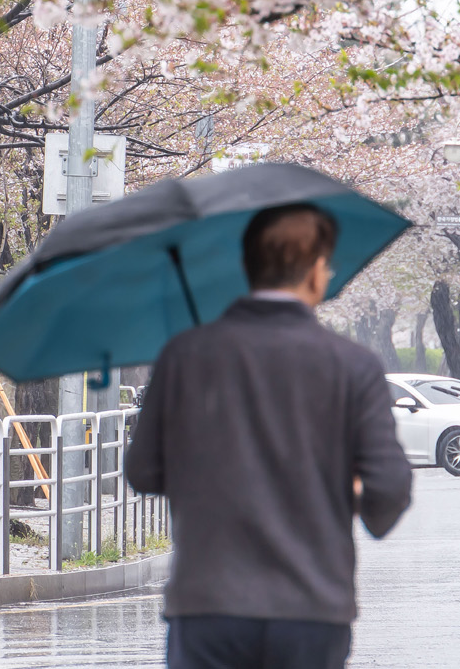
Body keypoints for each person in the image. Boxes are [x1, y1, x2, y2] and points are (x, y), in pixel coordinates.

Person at [126, 203, 413, 669]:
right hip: (311, 606)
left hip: (208, 603)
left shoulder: (186, 355)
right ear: (318, 272)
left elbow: (143, 471)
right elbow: (389, 486)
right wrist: (356, 498)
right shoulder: (352, 365)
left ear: (248, 268)